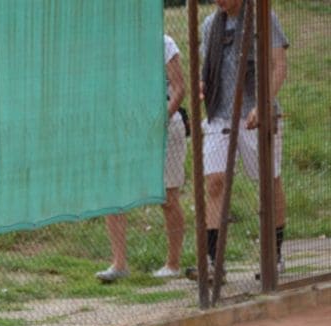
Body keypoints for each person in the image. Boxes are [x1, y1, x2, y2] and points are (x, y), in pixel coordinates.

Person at [198, 0, 290, 277]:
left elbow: (278, 65)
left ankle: (274, 255)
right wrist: (204, 85)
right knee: (214, 181)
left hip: (255, 112)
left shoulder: (263, 18)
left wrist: (263, 103)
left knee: (268, 181)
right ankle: (213, 262)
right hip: (220, 114)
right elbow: (209, 66)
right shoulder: (210, 25)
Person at [96, 34, 189, 283]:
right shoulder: (112, 45)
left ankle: (173, 263)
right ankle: (119, 264)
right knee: (114, 195)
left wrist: (161, 119)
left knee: (168, 198)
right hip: (126, 128)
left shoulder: (162, 42)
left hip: (165, 128)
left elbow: (180, 88)